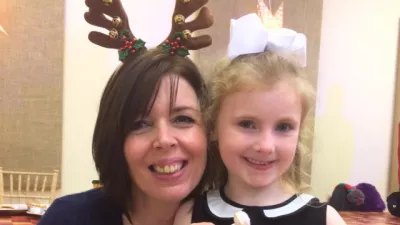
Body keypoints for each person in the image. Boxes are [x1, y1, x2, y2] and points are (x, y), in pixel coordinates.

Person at [38, 0, 216, 224]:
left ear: (209, 132)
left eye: (182, 119)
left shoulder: (239, 217)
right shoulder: (69, 218)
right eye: (140, 124)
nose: (164, 139)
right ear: (115, 138)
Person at [174, 14, 347, 225]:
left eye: (283, 127)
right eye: (247, 124)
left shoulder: (326, 219)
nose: (265, 146)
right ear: (213, 127)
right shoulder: (190, 214)